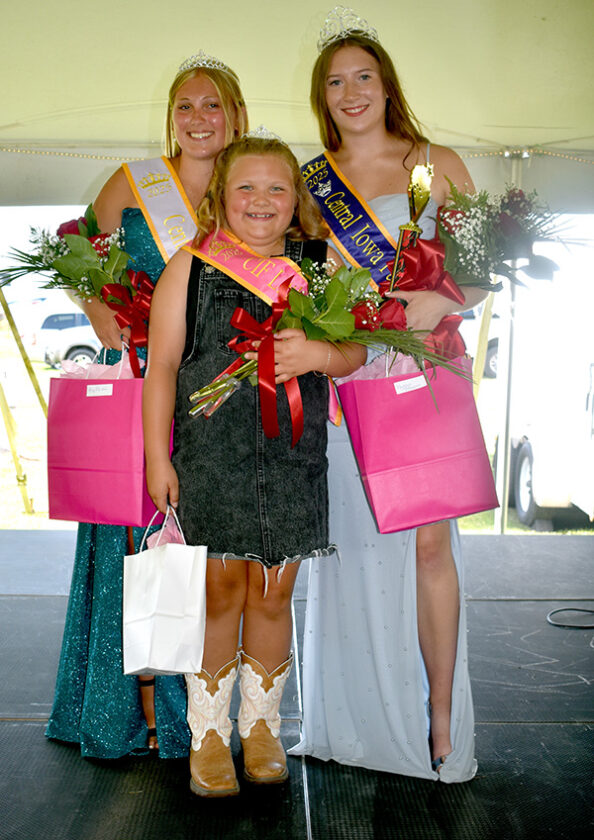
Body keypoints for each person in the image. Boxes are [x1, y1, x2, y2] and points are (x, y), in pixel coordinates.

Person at [288, 8, 487, 782]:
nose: (351, 92)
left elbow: (480, 271)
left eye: (363, 76)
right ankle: (352, 721)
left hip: (423, 369)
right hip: (346, 375)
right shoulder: (313, 185)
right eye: (335, 82)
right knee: (353, 548)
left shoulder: (432, 164)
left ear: (387, 83)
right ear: (322, 97)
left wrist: (442, 300)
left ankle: (438, 718)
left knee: (429, 545)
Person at [142, 133, 366, 797]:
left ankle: (261, 726)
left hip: (293, 462)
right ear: (221, 196)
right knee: (218, 595)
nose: (260, 200)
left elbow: (357, 349)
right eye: (246, 187)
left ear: (296, 201)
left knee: (273, 594)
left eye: (276, 188)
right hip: (212, 461)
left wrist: (319, 356)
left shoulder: (320, 265)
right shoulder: (189, 266)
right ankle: (209, 734)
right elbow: (161, 369)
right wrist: (157, 456)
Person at [45, 51, 248, 759]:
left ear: (236, 116)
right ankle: (124, 705)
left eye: (212, 104)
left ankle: (199, 710)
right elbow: (76, 254)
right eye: (185, 106)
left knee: (197, 542)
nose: (198, 118)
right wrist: (95, 309)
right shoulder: (133, 182)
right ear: (171, 117)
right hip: (136, 378)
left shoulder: (249, 187)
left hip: (212, 391)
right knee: (129, 538)